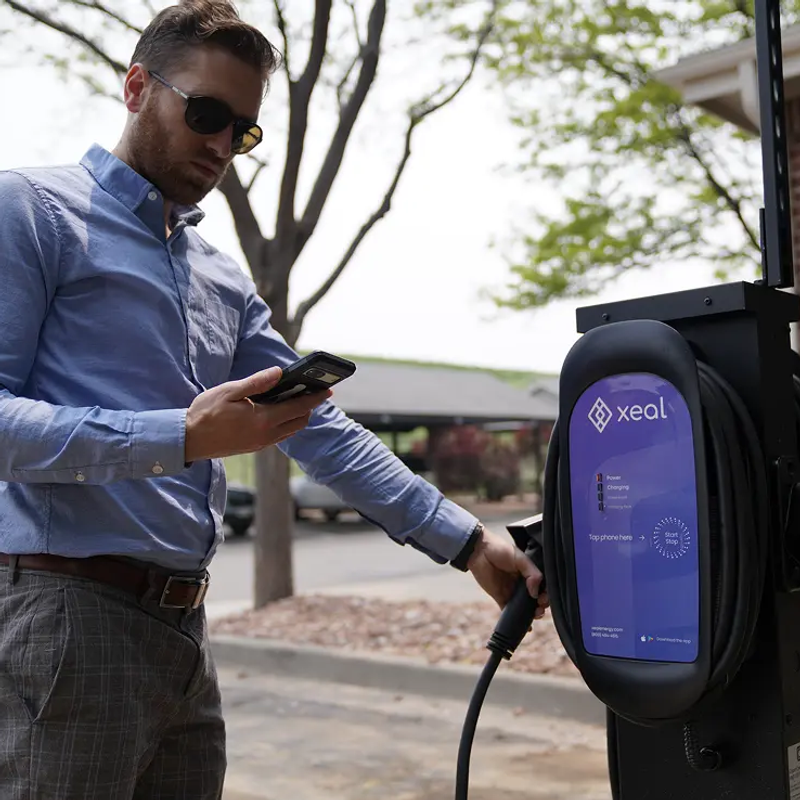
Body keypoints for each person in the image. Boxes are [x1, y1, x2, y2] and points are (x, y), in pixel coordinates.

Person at [0, 0, 547, 797]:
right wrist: (180, 435)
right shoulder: (31, 212)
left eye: (244, 131)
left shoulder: (221, 277)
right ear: (136, 87)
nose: (223, 145)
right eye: (208, 114)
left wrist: (466, 542)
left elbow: (320, 429)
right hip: (66, 618)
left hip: (185, 630)